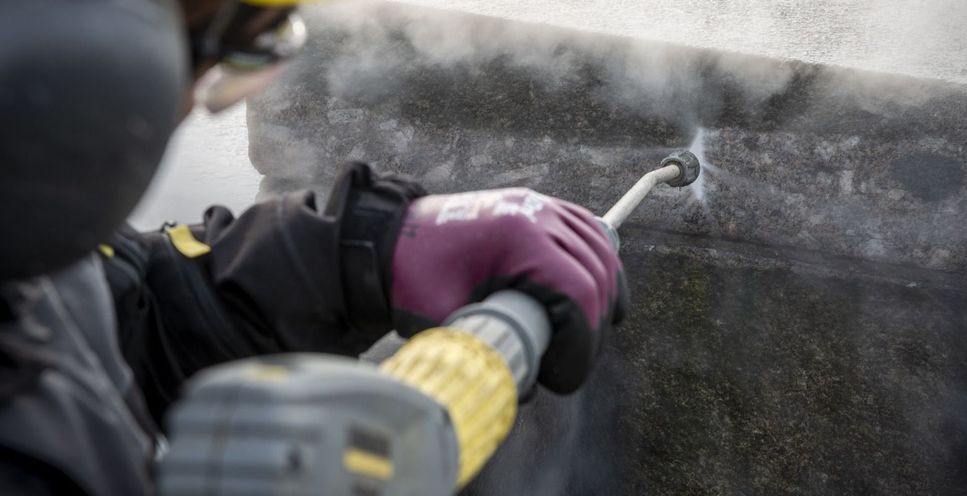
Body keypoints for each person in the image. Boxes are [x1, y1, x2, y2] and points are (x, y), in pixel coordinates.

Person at [0, 0, 626, 494]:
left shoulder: (29, 259)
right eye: (212, 40)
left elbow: (120, 314)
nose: (194, 102)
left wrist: (359, 252)